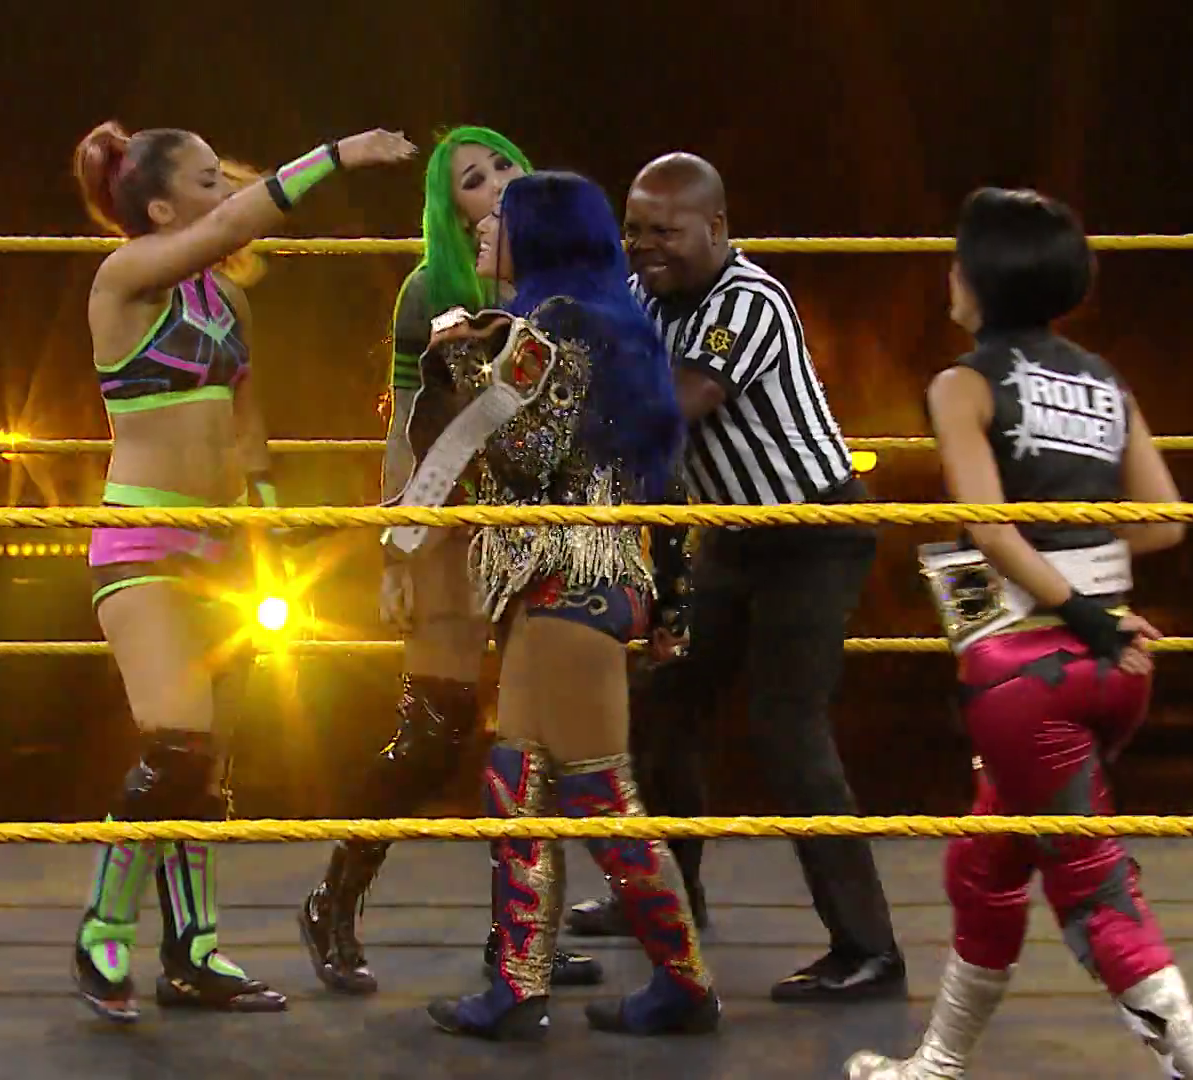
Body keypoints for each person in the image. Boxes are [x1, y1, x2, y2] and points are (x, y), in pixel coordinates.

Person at [844, 188, 1193, 1078]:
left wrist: (1067, 600)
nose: (949, 274)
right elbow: (1165, 521)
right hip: (1114, 664)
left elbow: (988, 526)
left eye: (958, 258)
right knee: (984, 865)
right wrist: (1088, 585)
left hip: (1029, 672)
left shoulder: (963, 384)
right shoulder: (1104, 381)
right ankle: (935, 1067)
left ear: (981, 275)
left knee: (1097, 894)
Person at [67, 118, 416, 1023]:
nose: (225, 191)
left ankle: (193, 953)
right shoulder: (124, 278)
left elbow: (249, 427)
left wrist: (269, 530)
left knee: (211, 764)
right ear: (159, 208)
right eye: (207, 179)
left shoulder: (227, 302)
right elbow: (234, 226)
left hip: (223, 548)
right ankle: (103, 929)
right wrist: (337, 157)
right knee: (176, 746)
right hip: (145, 540)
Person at [570, 151, 904, 1003]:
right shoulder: (644, 295)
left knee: (788, 728)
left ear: (716, 228)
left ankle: (868, 949)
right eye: (634, 230)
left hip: (812, 532)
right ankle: (663, 897)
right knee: (666, 704)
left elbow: (675, 403)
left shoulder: (750, 300)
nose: (645, 245)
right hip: (730, 536)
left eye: (665, 231)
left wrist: (560, 429)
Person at [297, 126, 603, 996]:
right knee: (436, 729)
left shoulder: (569, 281)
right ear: (451, 207)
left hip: (541, 529)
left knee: (538, 736)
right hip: (450, 522)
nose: (498, 183)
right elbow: (404, 429)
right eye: (474, 178)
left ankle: (524, 933)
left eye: (505, 164)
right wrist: (395, 549)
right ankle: (333, 899)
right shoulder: (431, 288)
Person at [417, 170, 719, 1041]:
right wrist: (671, 606)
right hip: (588, 579)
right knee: (515, 782)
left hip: (567, 579)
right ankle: (518, 988)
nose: (484, 230)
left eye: (501, 220)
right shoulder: (616, 324)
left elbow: (529, 454)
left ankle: (685, 984)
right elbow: (663, 479)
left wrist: (460, 357)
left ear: (540, 234)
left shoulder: (550, 325)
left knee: (596, 793)